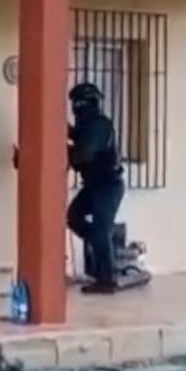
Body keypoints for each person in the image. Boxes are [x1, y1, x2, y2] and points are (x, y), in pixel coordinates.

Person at [66, 82, 124, 294]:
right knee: (74, 217)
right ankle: (105, 245)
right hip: (94, 186)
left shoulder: (99, 126)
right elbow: (79, 137)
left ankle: (106, 279)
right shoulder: (89, 126)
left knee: (100, 229)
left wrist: (65, 149)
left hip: (107, 186)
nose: (74, 109)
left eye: (76, 104)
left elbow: (82, 155)